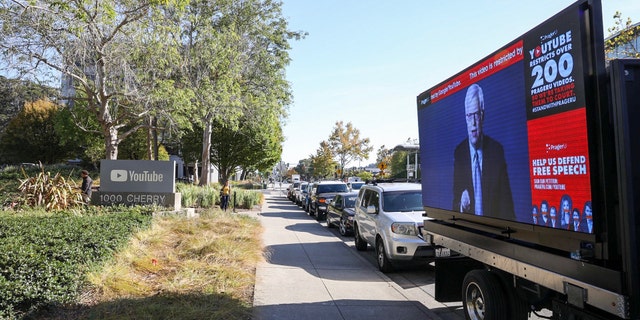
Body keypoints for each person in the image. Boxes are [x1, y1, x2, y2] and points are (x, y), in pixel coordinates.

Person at [452, 84, 514, 219]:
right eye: (469, 116)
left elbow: (506, 206)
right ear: (465, 117)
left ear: (483, 115)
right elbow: (454, 204)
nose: (473, 123)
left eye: (476, 115)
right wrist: (462, 205)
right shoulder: (460, 153)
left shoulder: (496, 151)